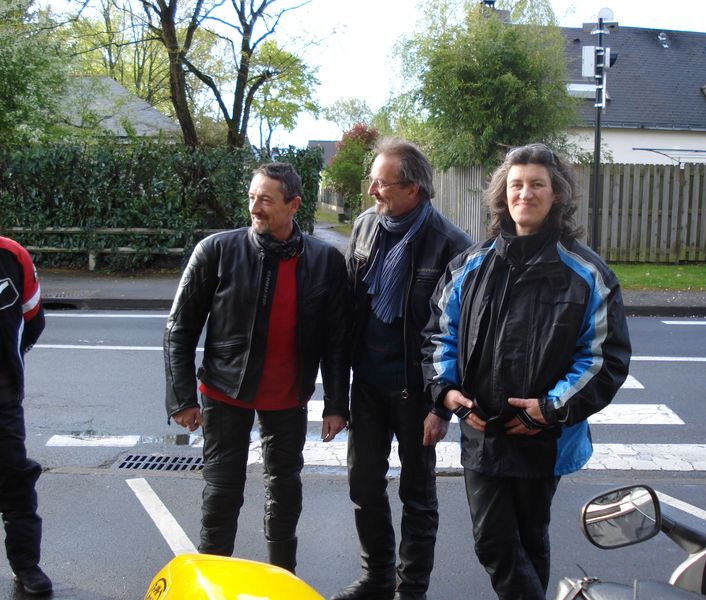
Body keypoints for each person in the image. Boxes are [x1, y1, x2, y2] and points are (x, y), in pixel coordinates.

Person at [421, 143, 631, 600]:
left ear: (557, 194)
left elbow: (603, 359)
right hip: (483, 430)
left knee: (531, 540)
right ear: (503, 194)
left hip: (545, 436)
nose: (525, 193)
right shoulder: (470, 265)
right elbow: (440, 335)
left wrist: (548, 409)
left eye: (537, 184)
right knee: (494, 542)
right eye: (516, 185)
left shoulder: (587, 273)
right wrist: (446, 392)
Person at [163, 162, 350, 573]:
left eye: (265, 199)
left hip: (288, 396)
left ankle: (283, 578)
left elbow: (337, 342)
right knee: (222, 491)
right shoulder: (216, 251)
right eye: (251, 197)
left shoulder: (325, 261)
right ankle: (214, 580)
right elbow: (179, 328)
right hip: (224, 392)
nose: (254, 207)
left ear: (294, 205)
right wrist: (182, 398)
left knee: (285, 492)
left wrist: (337, 404)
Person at [332, 138, 471, 600]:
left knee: (417, 494)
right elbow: (349, 310)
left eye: (381, 183)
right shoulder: (366, 226)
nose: (372, 190)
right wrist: (337, 395)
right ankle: (376, 578)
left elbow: (458, 336)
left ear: (413, 188)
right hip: (368, 385)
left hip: (417, 392)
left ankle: (410, 590)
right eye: (373, 180)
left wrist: (441, 407)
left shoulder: (452, 245)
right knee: (363, 485)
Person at [0, 236, 52, 595]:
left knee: (16, 480)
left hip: (2, 397)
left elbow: (33, 321)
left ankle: (26, 565)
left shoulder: (12, 255)